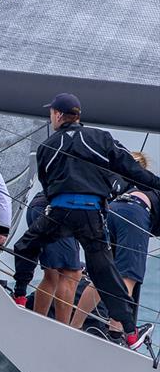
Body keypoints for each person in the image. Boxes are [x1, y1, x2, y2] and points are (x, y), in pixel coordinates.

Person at [12, 93, 160, 349]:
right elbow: (132, 169)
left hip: (57, 213)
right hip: (90, 216)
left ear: (57, 115)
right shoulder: (100, 138)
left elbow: (47, 184)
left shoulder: (48, 145)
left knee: (25, 247)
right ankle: (131, 334)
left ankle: (19, 298)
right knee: (105, 274)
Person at [71, 152, 160, 329]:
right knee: (127, 277)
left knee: (101, 278)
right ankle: (116, 332)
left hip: (112, 210)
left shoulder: (132, 184)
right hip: (135, 212)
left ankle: (74, 327)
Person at [24, 191, 83, 325]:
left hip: (39, 205)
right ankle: (63, 332)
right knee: (71, 273)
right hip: (57, 210)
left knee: (52, 275)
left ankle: (36, 325)